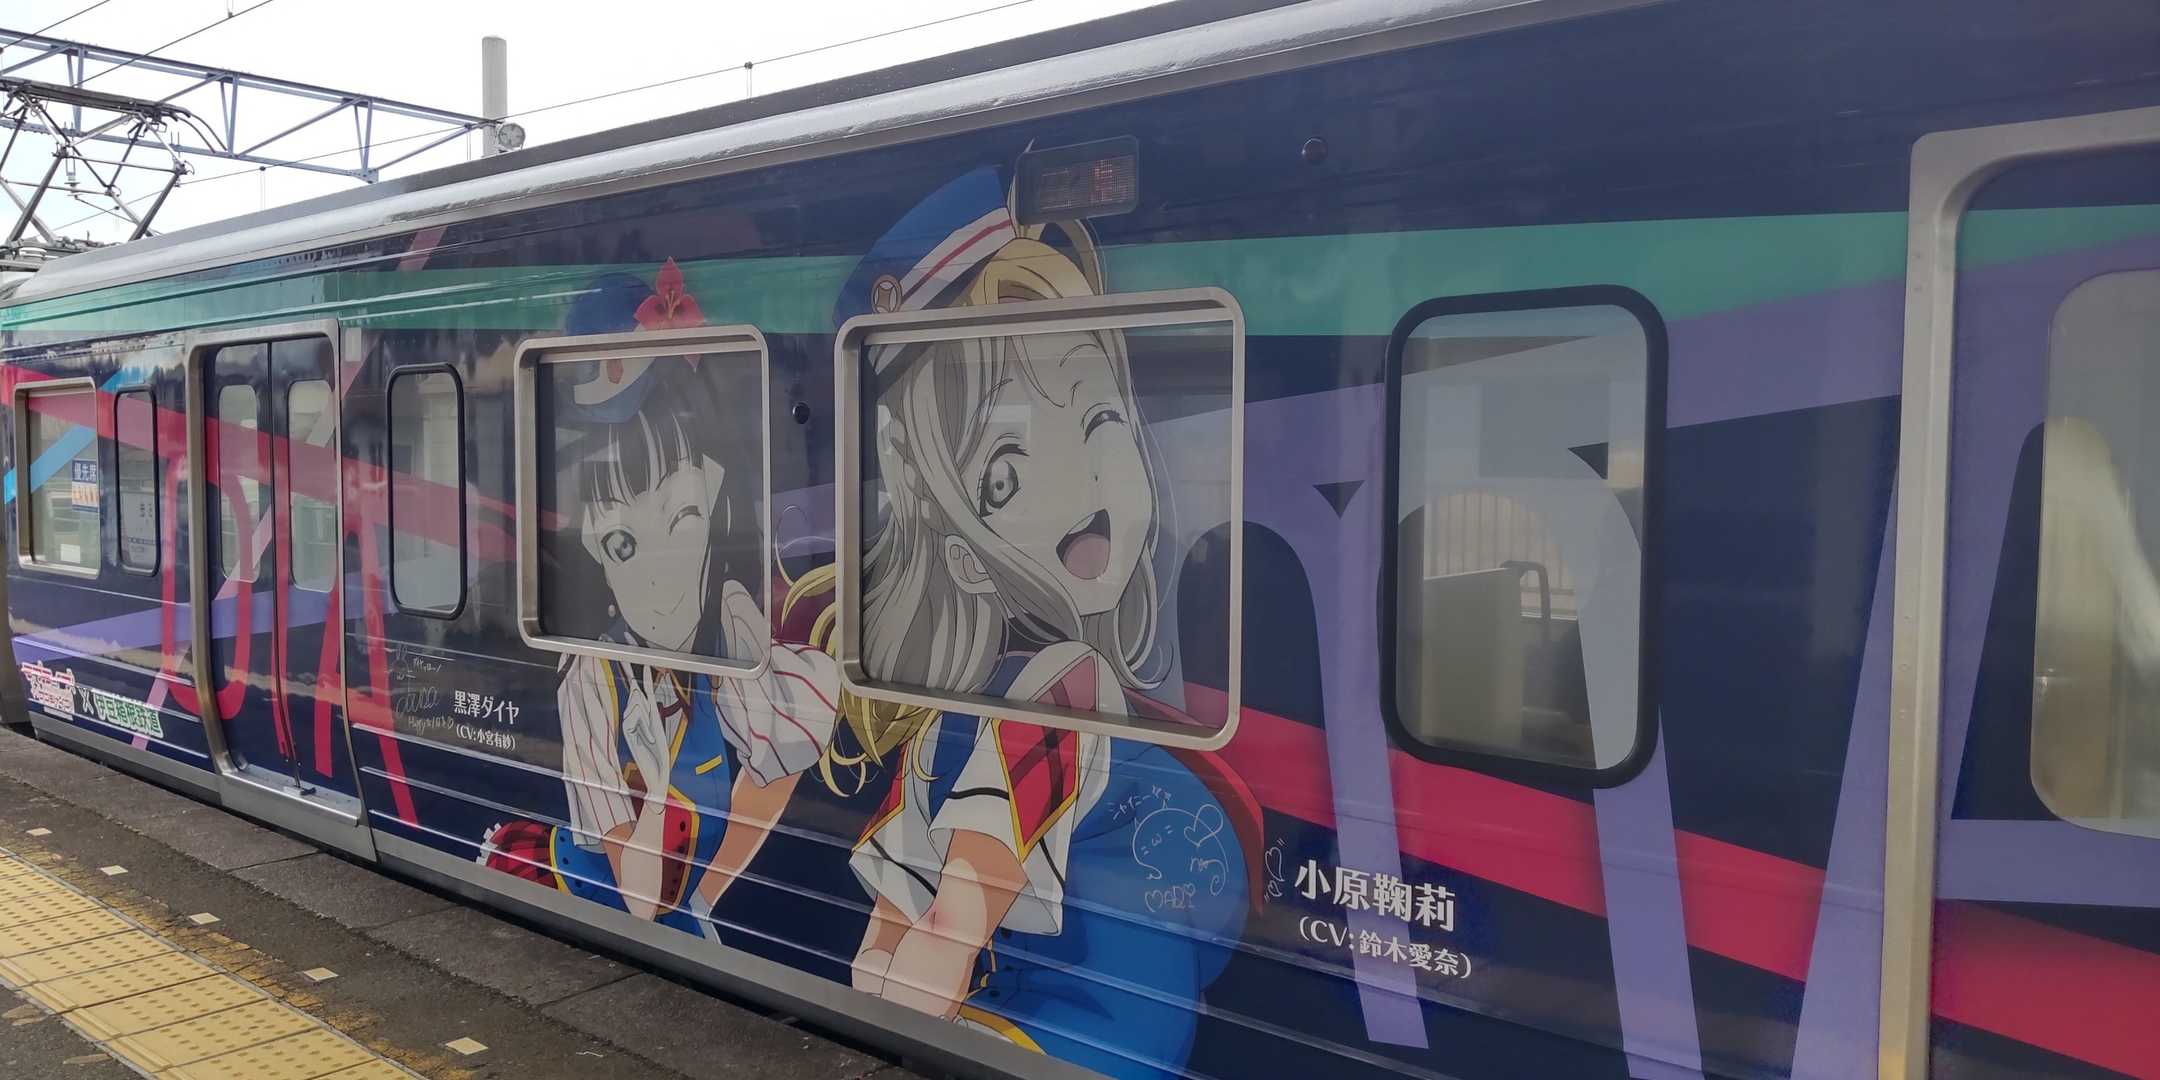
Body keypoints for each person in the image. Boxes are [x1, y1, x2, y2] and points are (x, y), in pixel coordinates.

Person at [821, 168, 1262, 1080]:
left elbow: (944, 924)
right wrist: (887, 990)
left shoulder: (1053, 697)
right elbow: (903, 917)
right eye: (1005, 475)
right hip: (1054, 1021)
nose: (1081, 490)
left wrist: (884, 1007)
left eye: (1097, 418)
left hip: (1100, 1032)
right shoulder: (967, 716)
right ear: (961, 556)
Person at [483, 261, 837, 941]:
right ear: (593, 539)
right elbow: (642, 902)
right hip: (607, 901)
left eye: (683, 521)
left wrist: (704, 897)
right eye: (623, 544)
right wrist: (652, 783)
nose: (657, 580)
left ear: (714, 498)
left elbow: (781, 762)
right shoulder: (593, 682)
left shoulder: (729, 630)